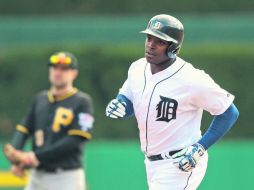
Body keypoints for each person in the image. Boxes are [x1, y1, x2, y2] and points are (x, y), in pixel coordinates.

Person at [105, 14, 239, 190]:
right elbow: (129, 101)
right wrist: (120, 104)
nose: (150, 45)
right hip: (151, 162)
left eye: (159, 41)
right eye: (149, 38)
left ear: (173, 47)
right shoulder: (137, 68)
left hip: (179, 163)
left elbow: (229, 112)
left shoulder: (192, 79)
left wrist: (200, 148)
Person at [4, 52, 94, 190]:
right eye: (55, 67)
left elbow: (75, 140)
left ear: (74, 73)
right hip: (37, 175)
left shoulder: (82, 101)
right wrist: (16, 159)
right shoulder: (40, 99)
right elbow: (23, 129)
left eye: (64, 69)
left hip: (66, 177)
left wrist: (35, 156)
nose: (58, 72)